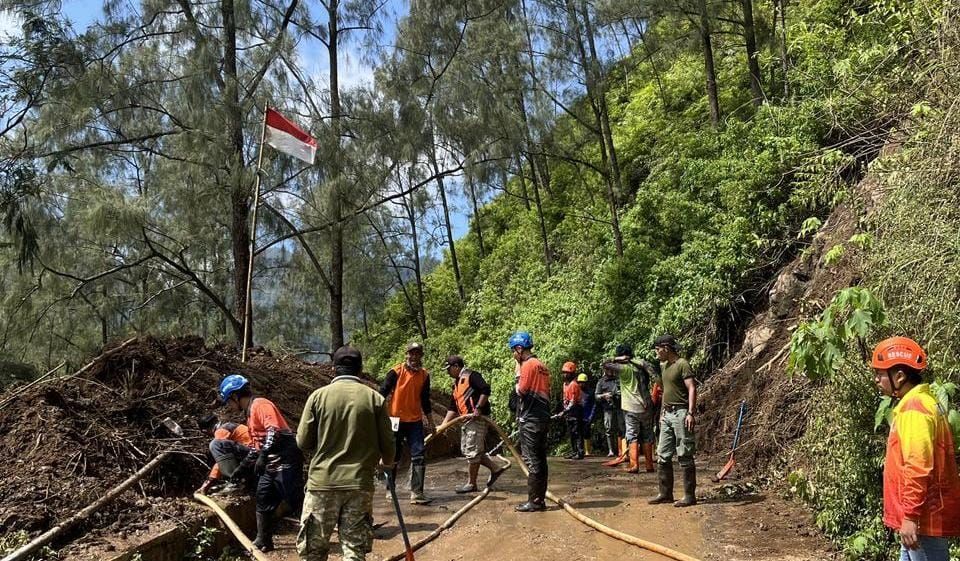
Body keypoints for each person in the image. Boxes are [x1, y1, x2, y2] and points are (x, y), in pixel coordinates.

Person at [296, 346, 396, 561]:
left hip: (323, 484)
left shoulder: (318, 397)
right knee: (353, 551)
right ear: (360, 369)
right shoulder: (375, 399)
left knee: (314, 551)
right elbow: (388, 444)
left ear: (334, 369)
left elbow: (303, 442)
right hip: (360, 485)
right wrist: (385, 463)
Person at [871, 336, 960, 561]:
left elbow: (918, 465)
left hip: (923, 520)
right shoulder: (923, 402)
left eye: (881, 374)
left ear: (899, 376)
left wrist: (910, 516)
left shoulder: (915, 409)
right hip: (919, 518)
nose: (877, 379)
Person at [217, 373, 304, 551]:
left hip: (286, 456)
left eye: (229, 402)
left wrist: (263, 455)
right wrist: (241, 469)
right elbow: (257, 445)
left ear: (235, 396)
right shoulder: (249, 415)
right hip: (270, 460)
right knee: (263, 496)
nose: (229, 406)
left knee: (293, 499)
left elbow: (274, 431)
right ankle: (263, 539)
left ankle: (313, 533)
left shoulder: (260, 404)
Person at [440, 355, 510, 493]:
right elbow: (453, 407)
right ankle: (495, 469)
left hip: (477, 420)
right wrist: (443, 425)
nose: (447, 373)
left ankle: (471, 484)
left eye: (448, 369)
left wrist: (478, 407)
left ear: (456, 367)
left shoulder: (472, 376)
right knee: (469, 451)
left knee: (472, 452)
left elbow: (485, 389)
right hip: (466, 421)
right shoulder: (456, 384)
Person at [379, 342, 436, 505]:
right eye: (412, 354)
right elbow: (382, 392)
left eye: (417, 354)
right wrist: (376, 414)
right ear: (407, 355)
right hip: (395, 419)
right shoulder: (396, 371)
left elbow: (425, 400)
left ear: (421, 356)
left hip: (415, 421)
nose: (414, 357)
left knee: (418, 454)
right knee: (393, 455)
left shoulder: (424, 375)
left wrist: (431, 422)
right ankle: (390, 489)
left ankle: (417, 493)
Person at [648, 334, 697, 507]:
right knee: (663, 453)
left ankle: (689, 496)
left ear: (666, 348)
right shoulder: (664, 366)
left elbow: (691, 388)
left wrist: (690, 413)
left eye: (657, 349)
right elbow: (665, 392)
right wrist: (662, 413)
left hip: (681, 413)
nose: (656, 353)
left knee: (684, 453)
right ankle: (665, 493)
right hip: (667, 414)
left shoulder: (682, 364)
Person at [510, 331, 551, 512]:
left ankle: (534, 501)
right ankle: (539, 499)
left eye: (513, 351)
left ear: (519, 349)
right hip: (542, 417)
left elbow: (522, 390)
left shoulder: (528, 365)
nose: (513, 355)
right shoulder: (542, 365)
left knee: (533, 461)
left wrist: (517, 374)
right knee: (541, 460)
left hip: (530, 419)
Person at [602, 343, 657, 474]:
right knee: (647, 434)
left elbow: (605, 364)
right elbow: (653, 371)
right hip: (647, 406)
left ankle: (634, 465)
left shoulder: (624, 369)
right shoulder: (641, 366)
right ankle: (649, 465)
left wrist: (617, 359)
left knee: (632, 435)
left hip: (632, 407)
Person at [196, 414, 255, 495]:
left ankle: (236, 483)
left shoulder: (221, 431)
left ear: (205, 431)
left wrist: (208, 482)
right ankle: (243, 482)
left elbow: (221, 461)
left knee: (215, 444)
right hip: (254, 455)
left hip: (252, 455)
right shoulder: (228, 426)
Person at [557, 362, 585, 460]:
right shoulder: (565, 384)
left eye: (567, 373)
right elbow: (565, 398)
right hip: (569, 412)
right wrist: (564, 410)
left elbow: (573, 402)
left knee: (577, 432)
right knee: (571, 433)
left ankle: (580, 452)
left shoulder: (574, 385)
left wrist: (564, 411)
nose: (565, 375)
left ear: (572, 373)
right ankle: (574, 451)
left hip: (576, 410)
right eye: (564, 372)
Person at [595, 365, 624, 457]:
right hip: (608, 409)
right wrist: (605, 395)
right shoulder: (601, 382)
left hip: (619, 407)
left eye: (612, 369)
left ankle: (622, 450)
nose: (610, 371)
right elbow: (596, 396)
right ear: (605, 370)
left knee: (622, 428)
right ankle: (611, 450)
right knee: (609, 428)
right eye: (608, 369)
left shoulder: (618, 379)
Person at [577, 373, 596, 457]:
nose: (581, 384)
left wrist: (591, 416)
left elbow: (594, 405)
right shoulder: (577, 391)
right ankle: (580, 450)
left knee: (587, 433)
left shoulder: (591, 392)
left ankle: (588, 451)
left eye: (583, 382)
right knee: (578, 433)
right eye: (580, 382)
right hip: (578, 416)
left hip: (587, 416)